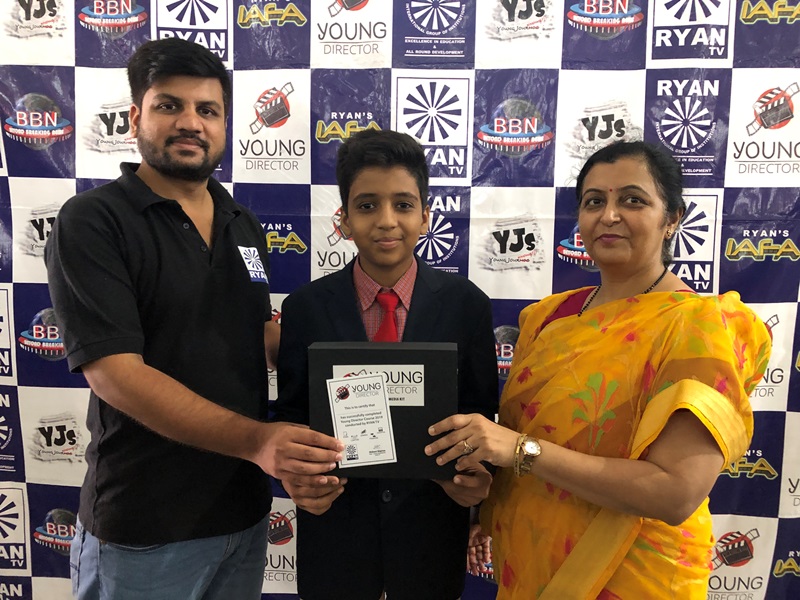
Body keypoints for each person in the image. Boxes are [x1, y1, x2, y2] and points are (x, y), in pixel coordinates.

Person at [45, 38, 343, 600]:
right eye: (169, 105)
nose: (190, 122)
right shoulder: (93, 220)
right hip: (144, 528)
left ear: (225, 125)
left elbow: (257, 331)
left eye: (208, 110)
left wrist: (355, 365)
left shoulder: (241, 223)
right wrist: (259, 441)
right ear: (136, 117)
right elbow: (115, 374)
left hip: (242, 516)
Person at [425, 141, 772, 599]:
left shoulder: (699, 326)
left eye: (632, 200)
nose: (609, 215)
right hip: (528, 560)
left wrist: (521, 451)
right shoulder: (546, 318)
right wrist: (482, 492)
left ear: (672, 219)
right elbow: (521, 444)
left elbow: (675, 493)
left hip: (633, 573)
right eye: (594, 202)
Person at [272, 129, 499, 600]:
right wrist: (298, 477)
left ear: (425, 215)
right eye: (367, 205)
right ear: (344, 219)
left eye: (403, 204)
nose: (387, 221)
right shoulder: (305, 309)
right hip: (336, 535)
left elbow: (483, 419)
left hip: (431, 534)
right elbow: (292, 419)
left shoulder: (467, 306)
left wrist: (479, 486)